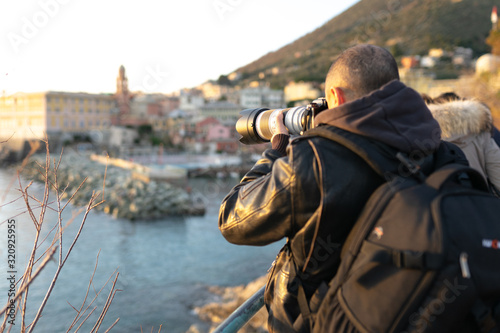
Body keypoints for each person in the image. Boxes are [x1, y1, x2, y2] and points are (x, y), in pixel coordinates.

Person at [218, 44, 466, 332]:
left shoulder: (315, 162)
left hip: (325, 322)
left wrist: (277, 149)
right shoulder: (444, 153)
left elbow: (232, 219)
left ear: (335, 96)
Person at [426, 92, 500, 194]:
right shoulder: (481, 133)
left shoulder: (424, 136)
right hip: (480, 200)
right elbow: (497, 173)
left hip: (440, 205)